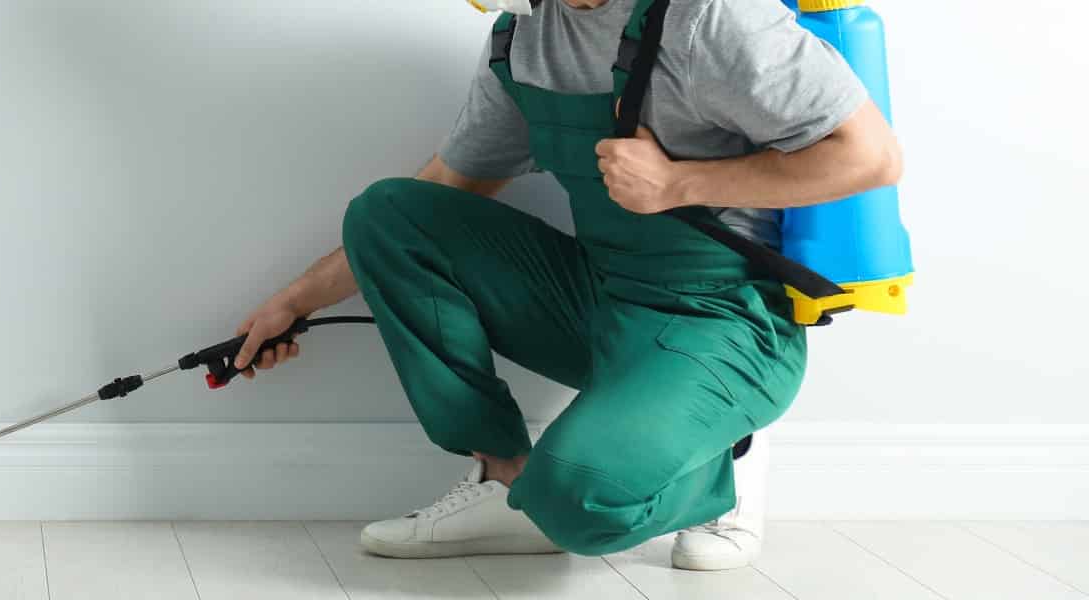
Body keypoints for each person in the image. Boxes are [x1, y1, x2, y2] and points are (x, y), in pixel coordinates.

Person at [232, 0, 901, 570]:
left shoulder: (713, 18)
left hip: (722, 322)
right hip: (598, 295)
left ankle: (724, 459)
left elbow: (871, 155)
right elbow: (443, 189)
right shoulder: (525, 35)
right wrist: (292, 303)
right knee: (390, 213)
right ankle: (504, 478)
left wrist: (680, 183)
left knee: (579, 502)